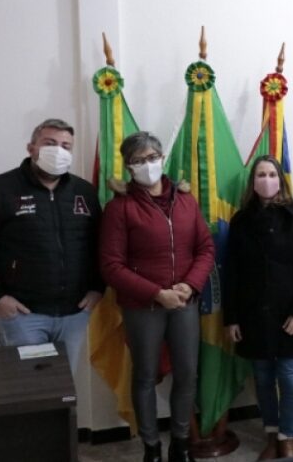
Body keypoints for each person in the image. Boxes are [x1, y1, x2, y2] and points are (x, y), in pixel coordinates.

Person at [0, 118, 103, 374]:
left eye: (66, 146)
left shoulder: (84, 192)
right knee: (30, 394)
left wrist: (98, 287)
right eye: (50, 143)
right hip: (24, 317)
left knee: (68, 390)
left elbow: (101, 245)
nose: (59, 151)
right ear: (31, 148)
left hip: (77, 315)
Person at [99, 132, 215, 462]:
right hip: (143, 307)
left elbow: (205, 248)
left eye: (152, 157)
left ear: (163, 158)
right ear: (128, 166)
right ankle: (151, 446)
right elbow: (111, 266)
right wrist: (156, 293)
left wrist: (190, 285)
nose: (147, 165)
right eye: (138, 160)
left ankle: (180, 441)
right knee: (145, 376)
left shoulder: (186, 201)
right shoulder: (119, 208)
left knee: (187, 373)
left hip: (184, 303)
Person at [224, 155, 293, 460]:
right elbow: (232, 273)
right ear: (253, 182)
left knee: (290, 378)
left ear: (281, 179)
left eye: (271, 174)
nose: (266, 180)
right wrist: (232, 318)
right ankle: (270, 435)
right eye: (260, 175)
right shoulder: (241, 220)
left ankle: (287, 437)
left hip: (291, 314)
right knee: (263, 378)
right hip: (253, 316)